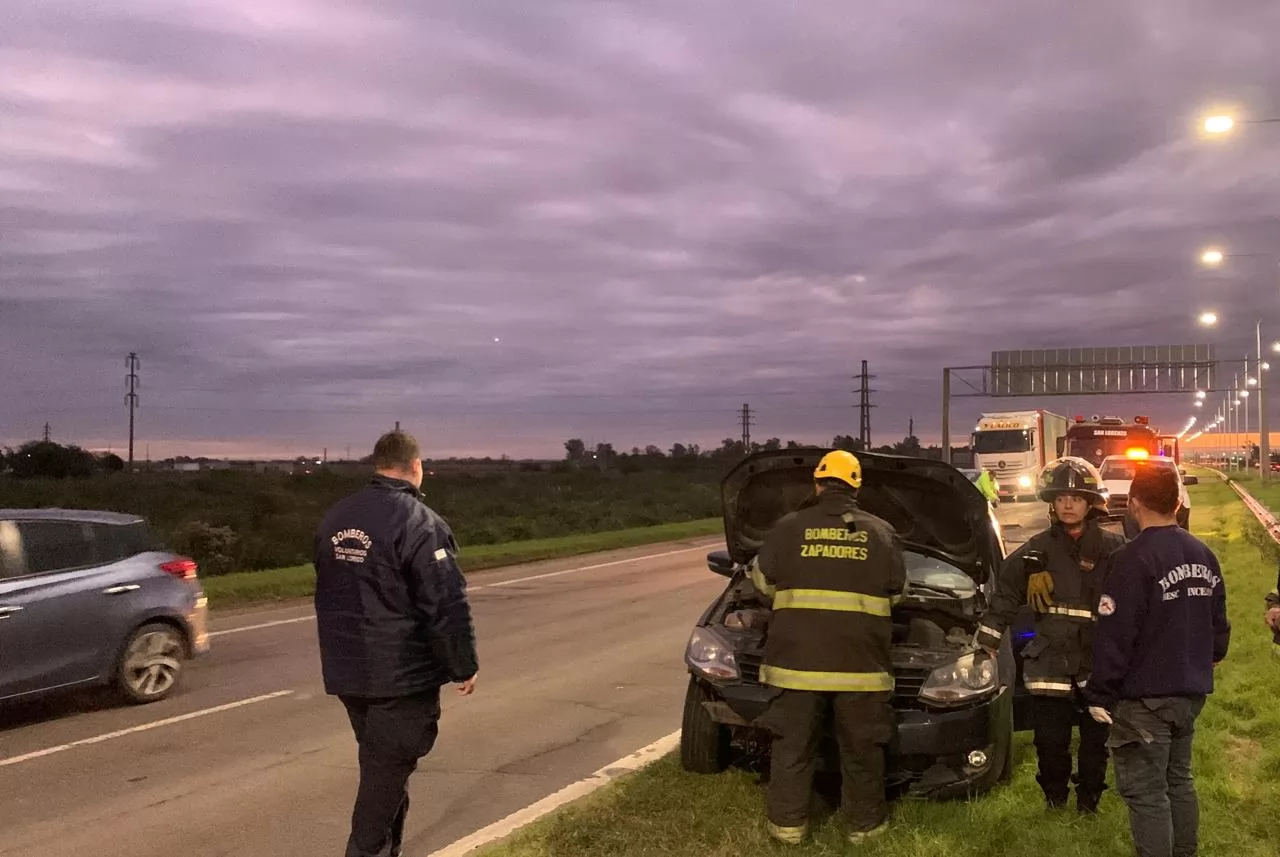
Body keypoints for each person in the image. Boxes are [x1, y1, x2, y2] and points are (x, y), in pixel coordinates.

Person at [314, 430, 479, 857]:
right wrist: (462, 664)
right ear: (415, 466)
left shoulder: (337, 517)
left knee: (386, 774)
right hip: (400, 680)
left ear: (376, 463)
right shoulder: (419, 523)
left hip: (349, 674)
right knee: (380, 790)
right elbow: (444, 603)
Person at [748, 450, 905, 846]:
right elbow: (898, 593)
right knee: (862, 751)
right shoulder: (881, 532)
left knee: (793, 748)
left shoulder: (788, 527)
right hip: (861, 666)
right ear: (856, 486)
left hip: (795, 665)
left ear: (817, 484)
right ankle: (864, 830)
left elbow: (763, 584)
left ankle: (788, 829)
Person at [1083, 465, 1230, 857]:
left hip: (1144, 700)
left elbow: (1116, 633)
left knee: (1147, 793)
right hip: (1190, 693)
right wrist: (1210, 657)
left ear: (1133, 504)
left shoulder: (1131, 559)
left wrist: (1099, 693)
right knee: (1179, 781)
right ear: (1178, 503)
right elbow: (1219, 625)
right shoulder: (1204, 554)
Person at [975, 456, 1126, 813]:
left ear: (1090, 503)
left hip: (1096, 662)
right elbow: (1006, 595)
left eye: (1075, 497)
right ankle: (1055, 801)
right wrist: (988, 641)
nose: (1068, 504)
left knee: (1095, 741)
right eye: (1061, 498)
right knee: (1050, 742)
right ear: (1052, 504)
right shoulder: (1035, 551)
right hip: (1049, 663)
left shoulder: (1114, 550)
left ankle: (1089, 802)